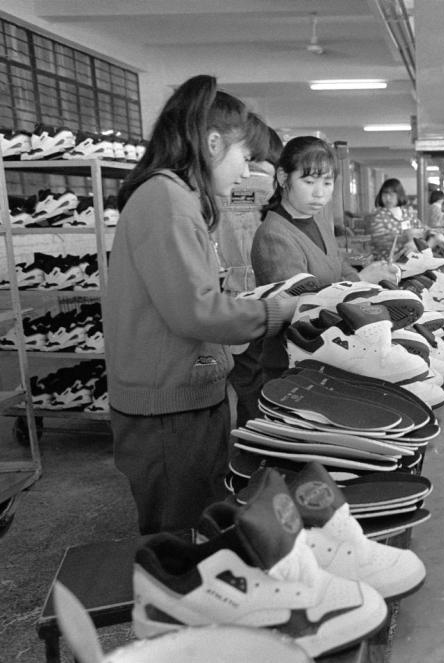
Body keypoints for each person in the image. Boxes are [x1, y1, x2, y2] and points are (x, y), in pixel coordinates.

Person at [104, 74, 299, 535]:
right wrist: (283, 311)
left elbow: (191, 297)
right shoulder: (166, 201)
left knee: (199, 523)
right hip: (167, 412)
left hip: (186, 397)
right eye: (245, 158)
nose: (246, 173)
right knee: (179, 537)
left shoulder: (178, 199)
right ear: (213, 144)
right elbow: (196, 311)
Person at [251, 136, 396, 383]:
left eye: (327, 183)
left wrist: (369, 278)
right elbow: (301, 308)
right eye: (308, 182)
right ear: (283, 178)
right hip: (295, 366)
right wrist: (362, 280)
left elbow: (338, 265)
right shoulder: (274, 235)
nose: (319, 193)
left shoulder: (317, 221)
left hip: (331, 357)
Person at [218, 116, 283, 429]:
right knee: (274, 387)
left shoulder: (219, 190)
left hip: (232, 303)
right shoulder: (278, 190)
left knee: (246, 386)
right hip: (277, 301)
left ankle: (248, 443)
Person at [368, 178, 424, 261]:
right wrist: (406, 237)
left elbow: (422, 231)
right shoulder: (378, 216)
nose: (388, 198)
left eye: (392, 195)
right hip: (386, 262)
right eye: (384, 195)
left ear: (399, 195)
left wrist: (415, 241)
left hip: (411, 259)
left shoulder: (408, 214)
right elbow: (380, 242)